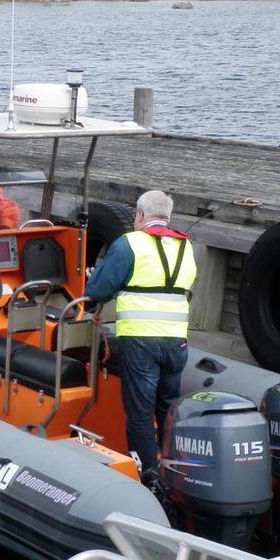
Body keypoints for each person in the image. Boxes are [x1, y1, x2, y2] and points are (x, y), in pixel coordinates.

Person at [84, 190, 198, 486]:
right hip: (176, 342)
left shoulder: (129, 244)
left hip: (141, 341)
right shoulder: (186, 246)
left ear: (140, 215)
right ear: (169, 217)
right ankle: (173, 473)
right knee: (168, 408)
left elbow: (97, 291)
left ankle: (148, 477)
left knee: (140, 413)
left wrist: (92, 280)